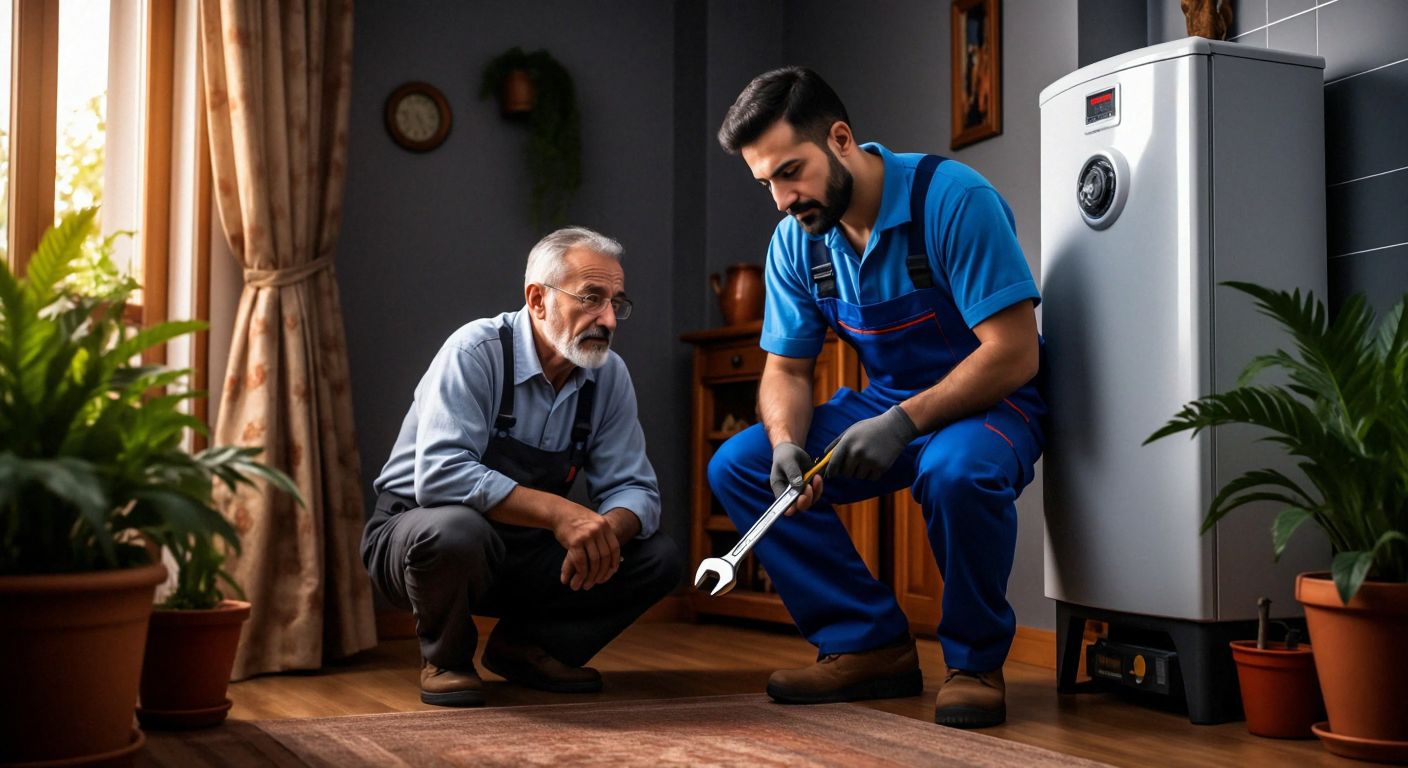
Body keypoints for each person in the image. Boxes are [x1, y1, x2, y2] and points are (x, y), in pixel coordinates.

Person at [709, 67, 1045, 729]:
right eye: (767, 182)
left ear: (840, 139)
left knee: (956, 471)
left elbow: (1014, 352)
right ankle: (868, 645)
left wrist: (906, 421)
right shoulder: (798, 243)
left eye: (790, 171)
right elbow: (788, 371)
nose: (781, 198)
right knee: (740, 465)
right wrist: (784, 444)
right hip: (889, 400)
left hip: (995, 400)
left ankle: (975, 663)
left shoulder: (952, 200)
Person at [362, 227, 682, 707]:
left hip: (526, 546)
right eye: (592, 298)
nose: (610, 319)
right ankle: (445, 659)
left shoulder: (608, 375)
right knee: (456, 529)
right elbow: (440, 474)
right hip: (420, 542)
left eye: (618, 302)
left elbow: (637, 489)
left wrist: (607, 530)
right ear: (537, 299)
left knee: (658, 556)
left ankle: (527, 648)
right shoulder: (476, 351)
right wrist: (560, 513)